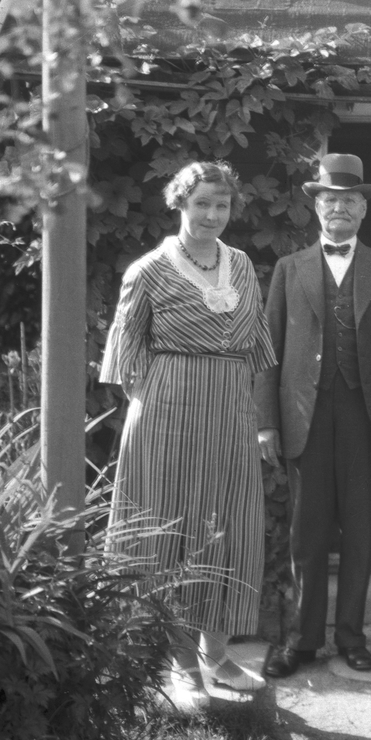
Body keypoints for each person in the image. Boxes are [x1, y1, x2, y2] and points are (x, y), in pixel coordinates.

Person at [100, 160, 277, 701]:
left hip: (231, 412)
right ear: (179, 203)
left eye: (222, 205)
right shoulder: (148, 271)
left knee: (230, 526)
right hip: (167, 415)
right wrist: (163, 407)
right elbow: (125, 365)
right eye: (201, 203)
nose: (212, 215)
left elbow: (257, 350)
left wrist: (251, 416)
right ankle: (182, 666)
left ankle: (217, 658)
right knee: (172, 530)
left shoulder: (241, 265)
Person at [256, 154, 371, 678]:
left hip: (367, 416)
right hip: (306, 416)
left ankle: (351, 637)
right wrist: (266, 421)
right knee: (307, 533)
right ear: (316, 207)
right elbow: (268, 349)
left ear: (362, 210)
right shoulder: (289, 268)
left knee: (361, 530)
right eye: (329, 200)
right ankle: (300, 641)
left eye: (349, 201)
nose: (338, 208)